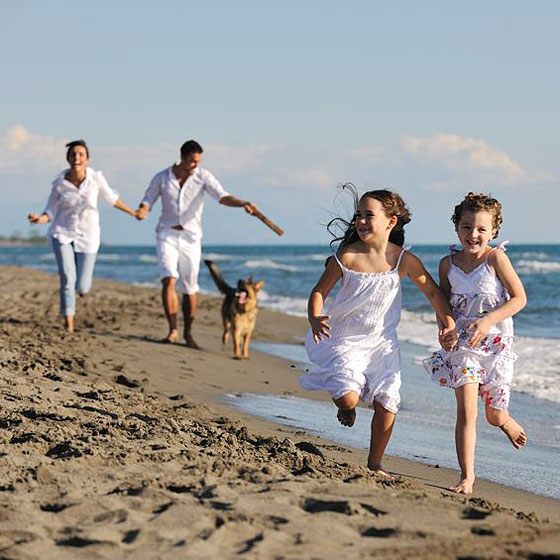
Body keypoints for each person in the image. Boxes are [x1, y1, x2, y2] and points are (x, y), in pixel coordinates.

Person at [300, 185, 457, 479]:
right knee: (348, 398)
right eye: (358, 215)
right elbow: (319, 291)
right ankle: (345, 407)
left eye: (368, 215)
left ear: (390, 222)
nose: (360, 220)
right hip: (345, 340)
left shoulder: (403, 260)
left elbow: (434, 294)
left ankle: (375, 463)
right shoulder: (346, 257)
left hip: (383, 345)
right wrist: (314, 317)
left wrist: (447, 321)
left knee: (387, 402)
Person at [423, 192, 527, 494]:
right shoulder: (448, 264)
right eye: (467, 227)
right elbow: (443, 304)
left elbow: (520, 299)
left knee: (493, 416)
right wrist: (446, 328)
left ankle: (504, 420)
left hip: (495, 345)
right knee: (467, 411)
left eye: (482, 229)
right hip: (464, 347)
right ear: (457, 228)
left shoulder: (496, 258)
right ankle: (467, 476)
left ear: (493, 231)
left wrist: (488, 320)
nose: (474, 235)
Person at [135, 140, 257, 348]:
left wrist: (242, 203)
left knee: (190, 288)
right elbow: (147, 200)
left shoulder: (203, 176)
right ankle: (173, 330)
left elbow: (222, 196)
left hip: (191, 238)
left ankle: (188, 333)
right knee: (168, 280)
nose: (196, 165)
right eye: (192, 161)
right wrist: (143, 210)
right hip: (167, 233)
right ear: (182, 158)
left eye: (198, 161)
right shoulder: (162, 178)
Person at [28, 139, 137, 333]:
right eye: (73, 154)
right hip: (62, 234)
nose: (76, 158)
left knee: (83, 286)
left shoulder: (95, 178)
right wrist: (39, 219)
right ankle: (68, 323)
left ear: (87, 158)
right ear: (68, 159)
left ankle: (81, 292)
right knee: (67, 278)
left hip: (88, 237)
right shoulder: (59, 183)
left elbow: (112, 198)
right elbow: (49, 212)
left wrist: (133, 213)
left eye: (80, 154)